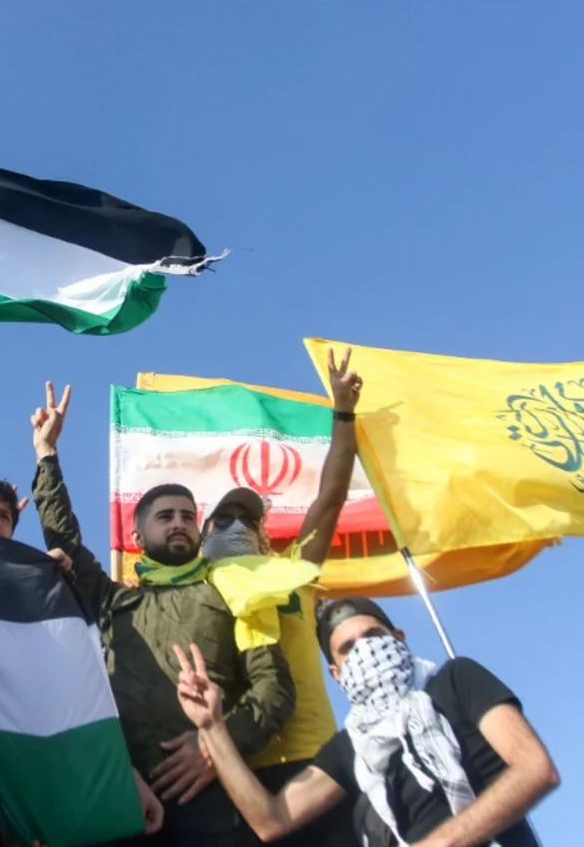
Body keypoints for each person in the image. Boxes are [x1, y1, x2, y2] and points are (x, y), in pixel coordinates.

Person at [30, 383, 295, 847]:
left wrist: (216, 745)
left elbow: (273, 689)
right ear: (137, 533)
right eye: (165, 516)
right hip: (123, 795)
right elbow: (65, 539)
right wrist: (46, 453)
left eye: (187, 516)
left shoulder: (232, 592)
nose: (178, 523)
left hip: (214, 800)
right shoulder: (114, 600)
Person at [173, 598, 560, 847]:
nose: (367, 651)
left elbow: (535, 769)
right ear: (337, 673)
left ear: (400, 637)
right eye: (349, 648)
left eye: (374, 635)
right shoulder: (352, 747)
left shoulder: (457, 680)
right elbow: (271, 820)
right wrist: (211, 726)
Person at [0, 471, 165, 845]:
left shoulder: (38, 590)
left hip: (26, 776)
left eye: (4, 515)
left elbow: (76, 689)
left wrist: (125, 772)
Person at [200, 347, 364, 847]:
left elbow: (330, 496)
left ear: (265, 538)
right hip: (232, 775)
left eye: (246, 521)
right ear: (202, 536)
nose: (234, 527)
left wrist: (343, 412)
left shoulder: (295, 572)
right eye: (222, 520)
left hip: (319, 766)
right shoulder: (189, 591)